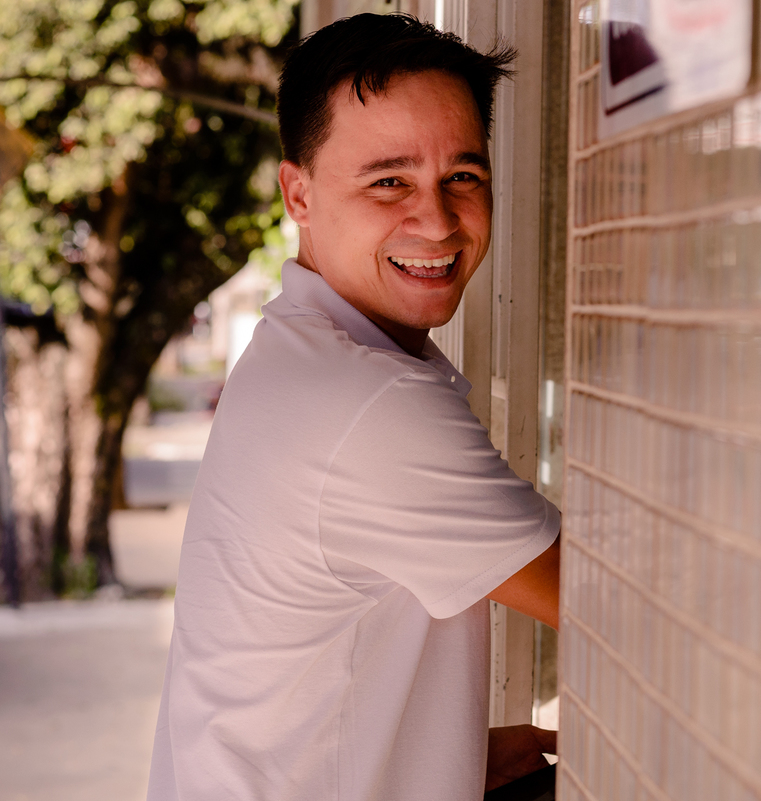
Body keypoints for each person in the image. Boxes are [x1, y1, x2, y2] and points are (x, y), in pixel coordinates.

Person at [147, 14, 561, 801]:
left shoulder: (300, 355)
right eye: (389, 182)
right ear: (297, 192)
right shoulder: (365, 403)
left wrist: (442, 752)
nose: (436, 221)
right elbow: (617, 607)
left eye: (463, 177)